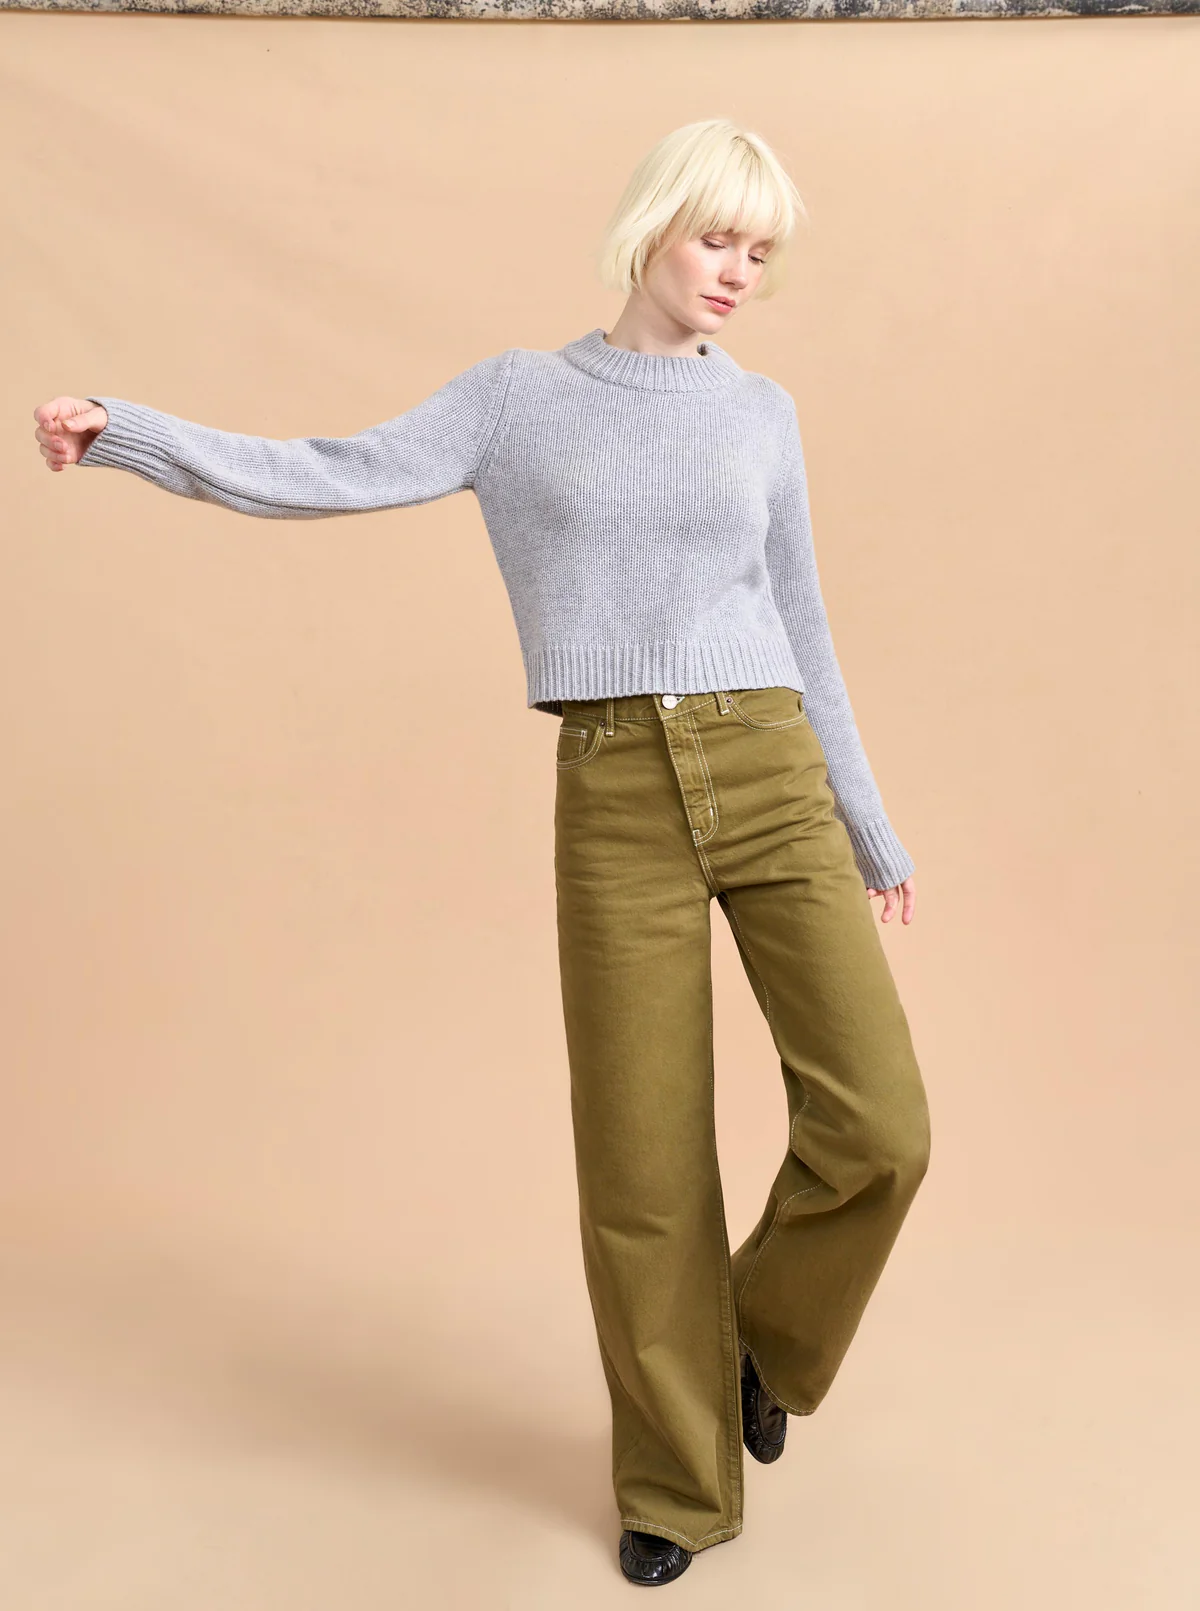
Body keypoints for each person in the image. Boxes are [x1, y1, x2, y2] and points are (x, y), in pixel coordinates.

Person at [33, 117, 931, 1589]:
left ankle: (758, 1344)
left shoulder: (762, 413)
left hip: (770, 762)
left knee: (882, 1125)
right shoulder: (518, 399)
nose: (737, 272)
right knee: (642, 1164)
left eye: (761, 252)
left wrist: (866, 819)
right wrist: (126, 431)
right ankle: (676, 1485)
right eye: (718, 237)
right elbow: (327, 470)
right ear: (653, 225)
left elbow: (803, 622)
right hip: (617, 784)